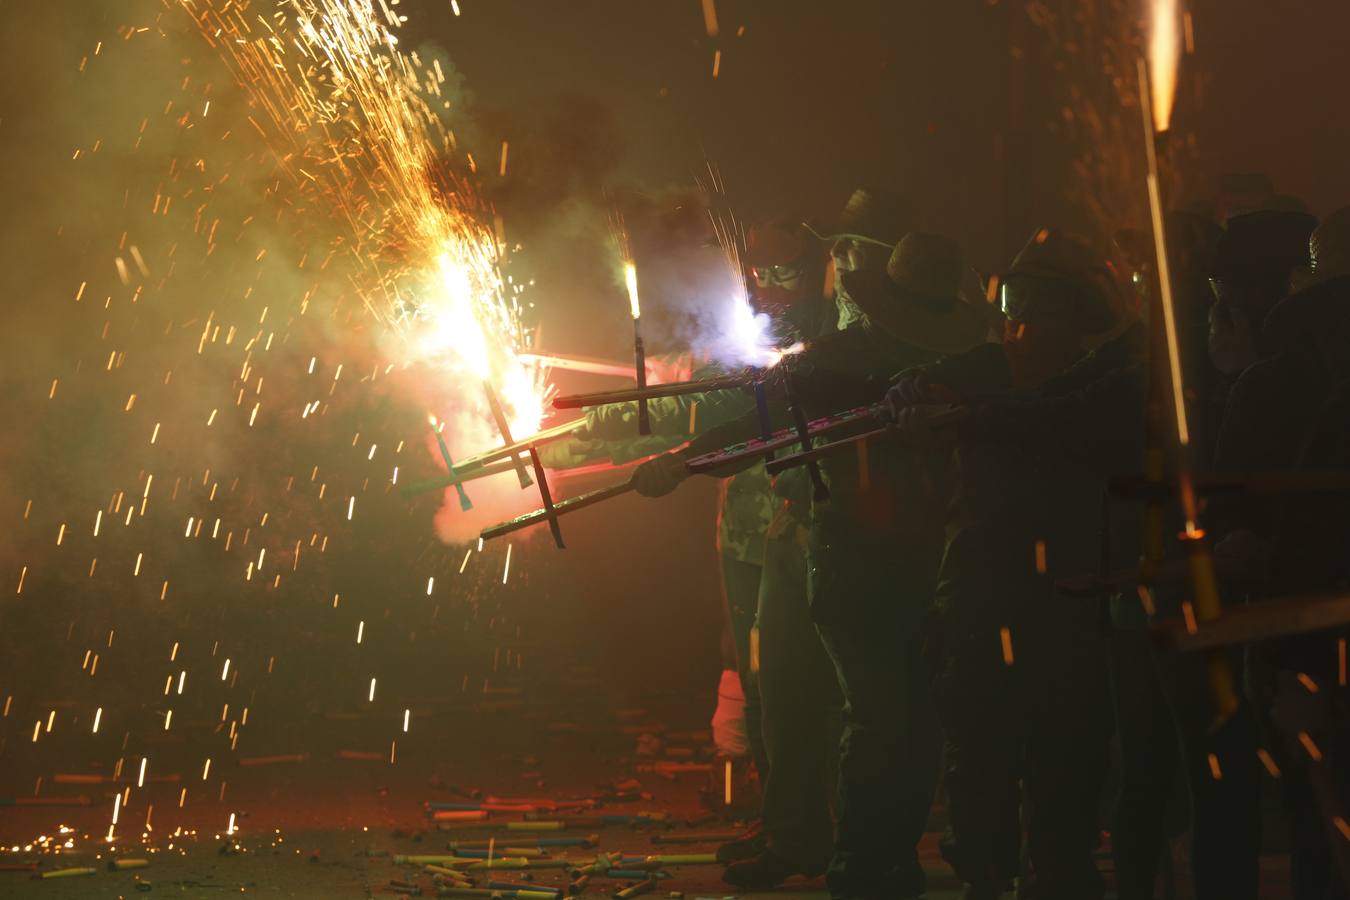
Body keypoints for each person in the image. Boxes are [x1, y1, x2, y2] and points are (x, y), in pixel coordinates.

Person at [635, 230, 989, 899]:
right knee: (845, 710)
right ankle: (836, 853)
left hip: (908, 561)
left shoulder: (964, 366)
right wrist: (683, 461)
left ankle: (874, 861)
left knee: (895, 719)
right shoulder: (839, 360)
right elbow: (758, 424)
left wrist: (684, 462)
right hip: (829, 545)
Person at [886, 229, 1123, 900]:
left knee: (1066, 753)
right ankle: (988, 875)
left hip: (1071, 595)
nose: (1021, 329)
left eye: (1039, 313)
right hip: (981, 593)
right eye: (1015, 311)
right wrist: (911, 392)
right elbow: (916, 388)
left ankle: (1060, 875)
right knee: (980, 751)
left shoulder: (1099, 387)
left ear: (1074, 321)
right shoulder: (981, 369)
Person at [724, 188, 906, 890]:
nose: (841, 259)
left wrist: (687, 451)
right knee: (792, 693)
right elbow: (759, 415)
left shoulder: (880, 340)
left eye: (850, 249)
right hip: (804, 524)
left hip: (856, 536)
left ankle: (863, 853)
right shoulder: (832, 322)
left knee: (858, 705)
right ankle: (803, 835)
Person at [1210, 206, 1350, 899]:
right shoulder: (1269, 381)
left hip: (1302, 642)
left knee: (1315, 835)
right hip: (1307, 642)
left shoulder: (1272, 384)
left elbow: (1225, 520)